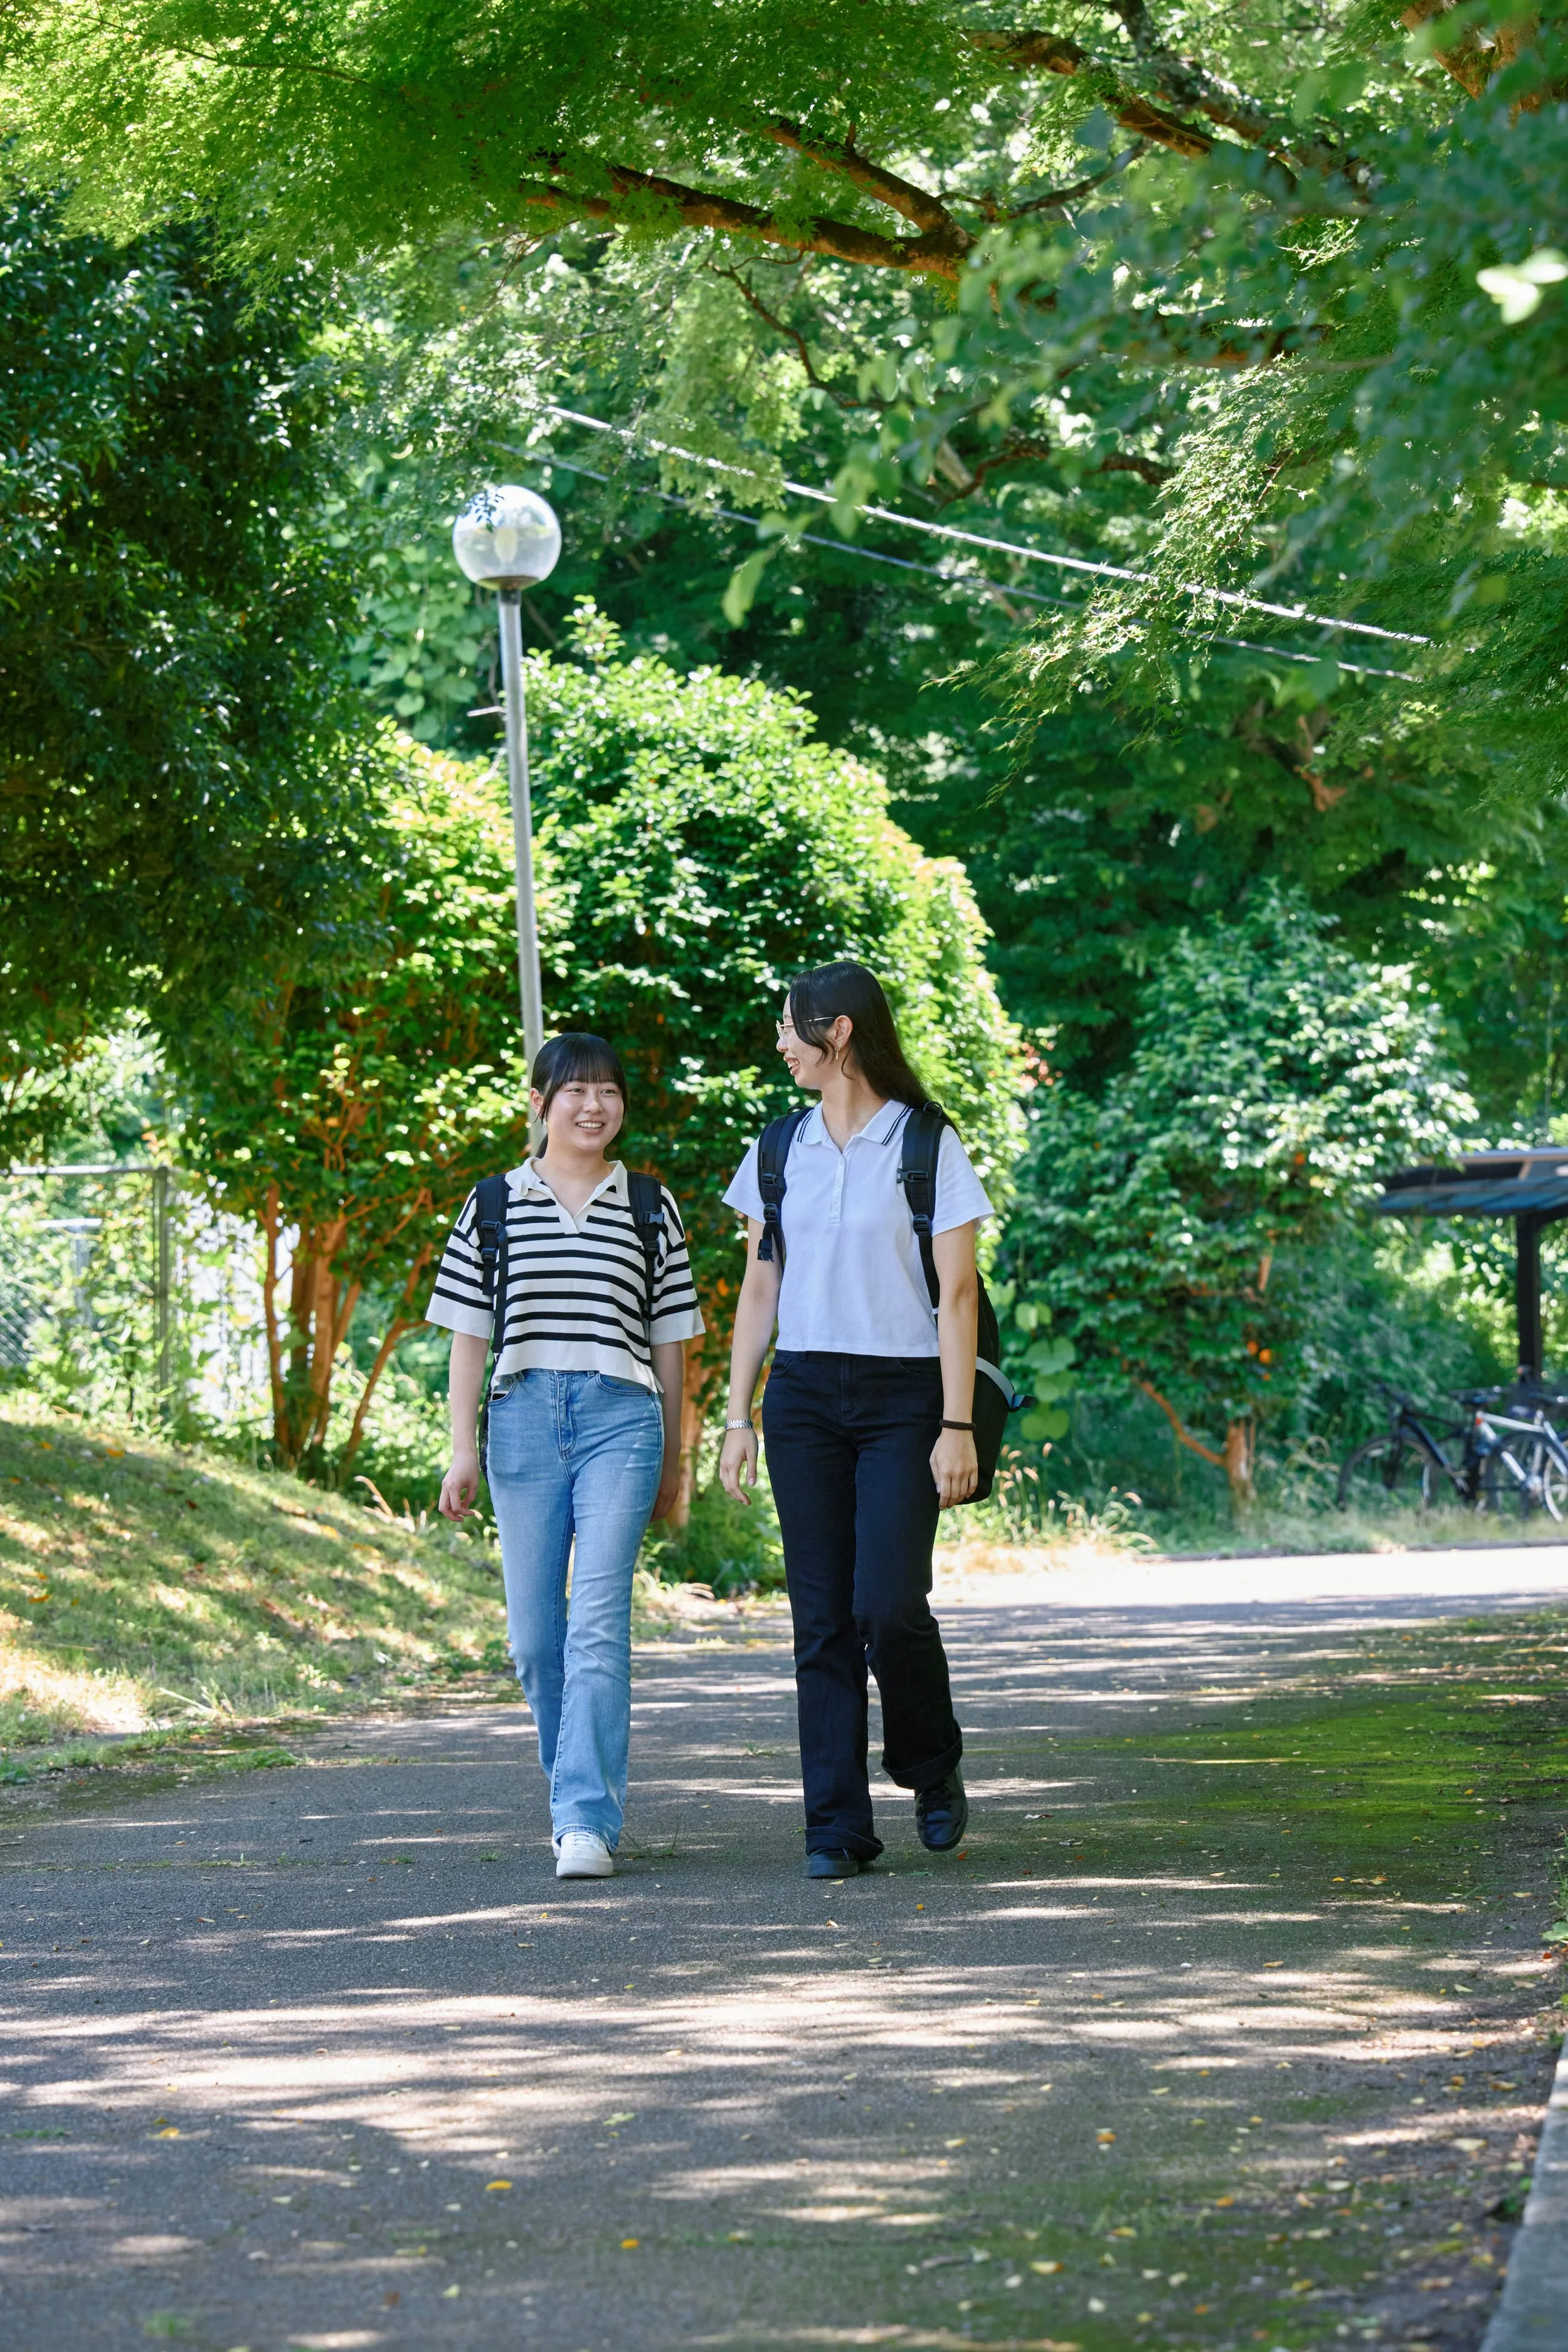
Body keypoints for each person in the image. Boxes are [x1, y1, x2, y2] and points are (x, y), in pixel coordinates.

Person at [718, 962, 991, 1878]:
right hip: (801, 1397)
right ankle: (835, 1826)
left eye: (792, 1030)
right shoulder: (776, 1149)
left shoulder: (925, 1144)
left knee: (888, 1603)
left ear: (837, 1033)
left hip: (906, 1399)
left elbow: (958, 1295)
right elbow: (761, 1286)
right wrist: (736, 1417)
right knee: (821, 1617)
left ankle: (930, 1763)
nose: (781, 1045)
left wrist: (957, 1426)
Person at [430, 1033, 703, 1879]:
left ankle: (584, 1818)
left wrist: (677, 1459)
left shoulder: (651, 1206)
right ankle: (573, 1788)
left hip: (624, 1418)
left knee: (595, 1624)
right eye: (575, 1090)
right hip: (520, 1420)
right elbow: (469, 1338)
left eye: (609, 1091)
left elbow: (672, 1347)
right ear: (540, 1103)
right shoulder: (494, 1203)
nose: (595, 1106)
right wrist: (460, 1448)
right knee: (534, 1641)